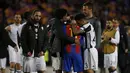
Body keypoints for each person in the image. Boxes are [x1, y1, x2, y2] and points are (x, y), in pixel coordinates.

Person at [53, 8, 82, 73]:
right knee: (59, 69)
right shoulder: (58, 24)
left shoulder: (60, 22)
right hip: (58, 49)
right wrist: (74, 39)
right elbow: (62, 36)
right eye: (66, 15)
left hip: (64, 49)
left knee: (61, 68)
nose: (67, 17)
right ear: (62, 16)